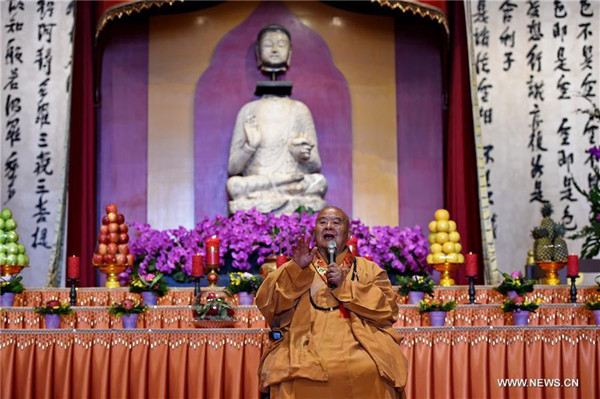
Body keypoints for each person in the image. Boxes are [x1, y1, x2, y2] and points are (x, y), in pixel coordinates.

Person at [255, 206, 408, 398]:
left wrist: (346, 286)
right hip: (304, 344)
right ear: (315, 231)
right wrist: (296, 270)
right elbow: (271, 308)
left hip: (359, 345)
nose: (329, 226)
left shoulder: (368, 269)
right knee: (290, 373)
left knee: (370, 369)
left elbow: (388, 309)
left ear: (348, 233)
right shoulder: (296, 266)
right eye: (323, 222)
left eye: (336, 222)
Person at [226, 24, 327, 214]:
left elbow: (316, 165)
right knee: (234, 185)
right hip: (261, 182)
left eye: (281, 44)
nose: (274, 49)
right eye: (268, 44)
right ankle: (279, 190)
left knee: (319, 183)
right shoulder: (248, 111)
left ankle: (282, 190)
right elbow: (233, 167)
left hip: (292, 181)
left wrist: (301, 154)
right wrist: (250, 146)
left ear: (290, 53)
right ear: (258, 52)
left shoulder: (300, 110)